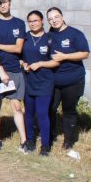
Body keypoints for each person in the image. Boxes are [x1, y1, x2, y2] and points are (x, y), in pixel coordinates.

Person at [0, 0, 27, 154]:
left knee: (16, 105)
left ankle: (24, 140)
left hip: (15, 70)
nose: (3, 5)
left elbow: (18, 48)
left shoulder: (19, 23)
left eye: (5, 2)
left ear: (10, 2)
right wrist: (0, 70)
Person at [46, 7, 90, 160]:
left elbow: (85, 53)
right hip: (54, 81)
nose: (54, 21)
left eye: (56, 17)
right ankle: (51, 135)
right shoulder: (49, 36)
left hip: (73, 80)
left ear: (62, 16)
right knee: (50, 108)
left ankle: (68, 142)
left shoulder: (75, 34)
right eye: (50, 19)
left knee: (69, 111)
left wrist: (64, 56)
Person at [21, 10, 60, 156]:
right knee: (29, 113)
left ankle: (45, 145)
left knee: (42, 113)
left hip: (45, 82)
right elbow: (19, 57)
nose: (33, 23)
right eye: (30, 21)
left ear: (42, 21)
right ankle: (30, 140)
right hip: (28, 81)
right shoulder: (25, 37)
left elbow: (56, 61)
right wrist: (23, 63)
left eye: (36, 20)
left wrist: (40, 64)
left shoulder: (50, 38)